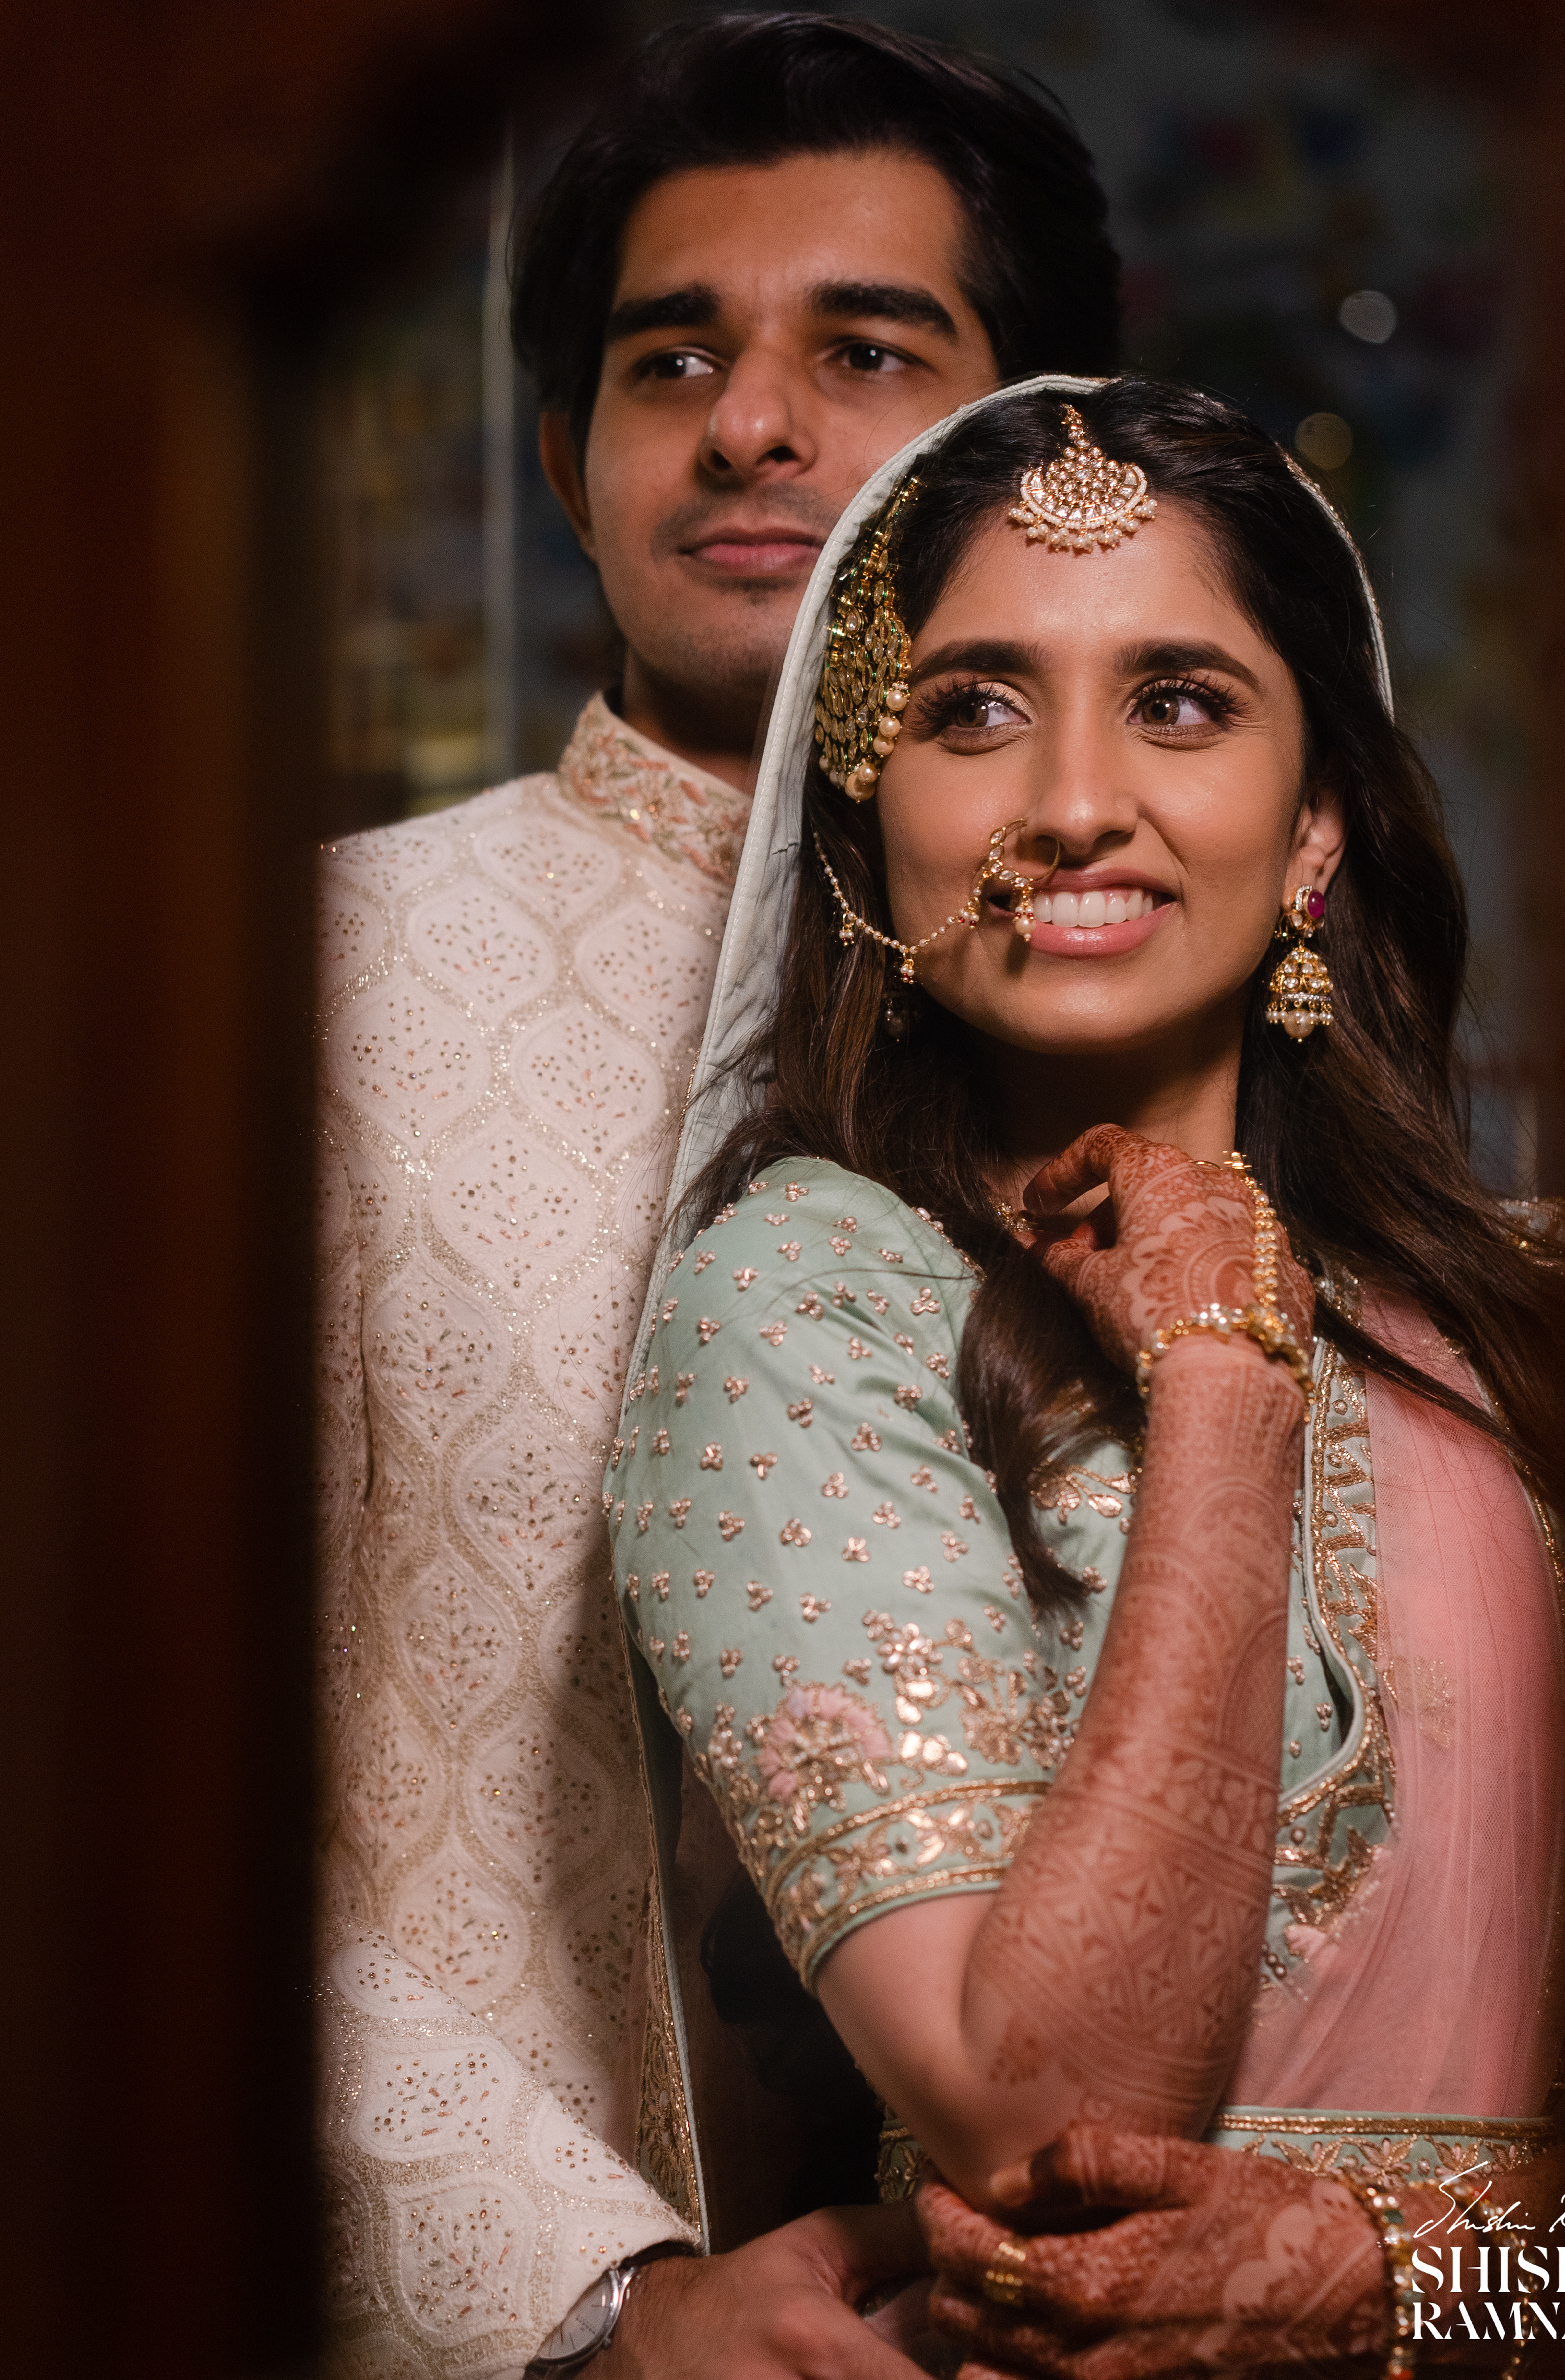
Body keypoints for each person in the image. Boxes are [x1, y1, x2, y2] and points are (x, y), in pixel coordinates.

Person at [611, 374, 1565, 2369]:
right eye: (972, 707)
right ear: (868, 825)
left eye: (1181, 700)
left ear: (1316, 833)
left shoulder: (1539, 1345)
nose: (1068, 799)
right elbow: (1055, 2121)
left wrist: (1402, 2269)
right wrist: (1223, 1377)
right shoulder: (807, 1309)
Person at [313, 19, 1120, 2377]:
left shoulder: (1192, 1019)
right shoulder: (319, 990)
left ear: (1046, 457)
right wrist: (596, 2307)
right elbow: (93, 1786)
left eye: (865, 349)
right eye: (675, 360)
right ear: (568, 461)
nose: (754, 424)